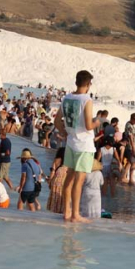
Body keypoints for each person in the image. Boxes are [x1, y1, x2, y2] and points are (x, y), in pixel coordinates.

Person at [54, 70, 98, 223]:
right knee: (79, 181)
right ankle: (76, 214)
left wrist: (64, 132)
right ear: (88, 84)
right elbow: (88, 125)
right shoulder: (87, 100)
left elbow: (56, 121)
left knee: (69, 179)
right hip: (84, 145)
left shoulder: (66, 98)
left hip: (71, 143)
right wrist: (97, 122)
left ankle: (67, 212)